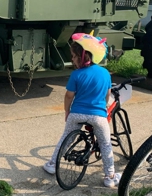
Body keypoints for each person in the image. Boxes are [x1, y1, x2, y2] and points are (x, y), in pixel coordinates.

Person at [43, 32, 121, 188]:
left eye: (73, 56)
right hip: (98, 115)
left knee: (66, 137)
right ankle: (110, 177)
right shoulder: (105, 73)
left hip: (77, 113)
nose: (72, 59)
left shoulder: (76, 74)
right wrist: (105, 107)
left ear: (83, 56)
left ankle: (52, 164)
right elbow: (107, 94)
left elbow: (68, 96)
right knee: (105, 144)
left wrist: (67, 111)